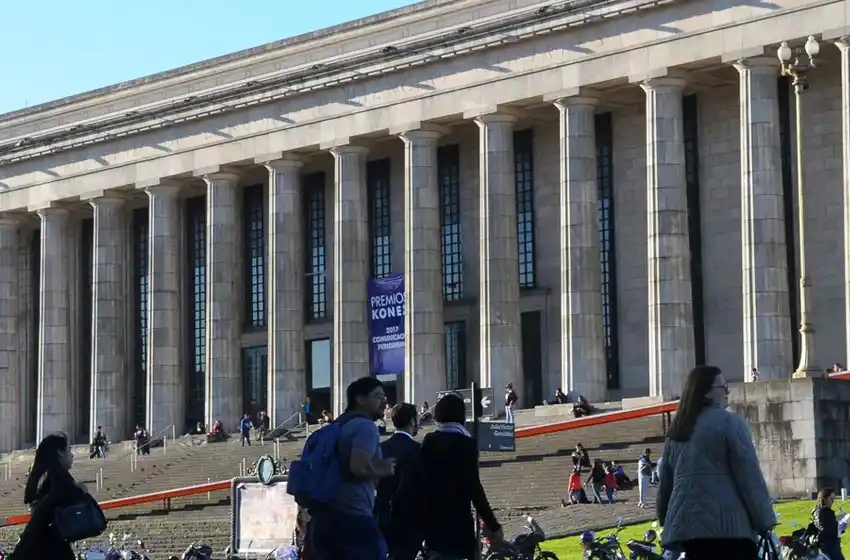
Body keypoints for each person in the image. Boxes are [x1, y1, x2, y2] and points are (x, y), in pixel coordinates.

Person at [657, 365, 775, 560]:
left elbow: (665, 486)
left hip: (691, 532)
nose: (727, 393)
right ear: (706, 392)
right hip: (731, 528)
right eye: (723, 387)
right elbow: (749, 477)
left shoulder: (677, 431)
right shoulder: (730, 423)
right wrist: (765, 520)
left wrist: (665, 519)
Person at [307, 377, 396, 560]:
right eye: (378, 396)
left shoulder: (338, 425)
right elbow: (359, 467)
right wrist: (383, 469)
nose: (384, 401)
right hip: (354, 517)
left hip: (324, 518)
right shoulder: (365, 426)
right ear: (360, 398)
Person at [421, 392, 503, 559]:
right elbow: (474, 487)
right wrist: (492, 524)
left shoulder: (429, 441)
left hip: (432, 523)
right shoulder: (466, 443)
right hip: (458, 523)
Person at [10, 433, 89, 560]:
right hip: (50, 547)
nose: (72, 455)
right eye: (69, 450)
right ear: (60, 453)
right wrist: (81, 489)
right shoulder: (58, 478)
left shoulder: (40, 476)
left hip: (35, 543)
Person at [375, 403, 425, 560]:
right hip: (410, 521)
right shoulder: (418, 450)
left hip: (382, 518)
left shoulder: (380, 448)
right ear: (412, 422)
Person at [813, 488, 844, 560]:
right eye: (831, 498)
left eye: (834, 498)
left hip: (833, 547)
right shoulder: (821, 513)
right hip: (828, 548)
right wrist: (840, 524)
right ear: (824, 499)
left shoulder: (826, 512)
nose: (833, 501)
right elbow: (825, 528)